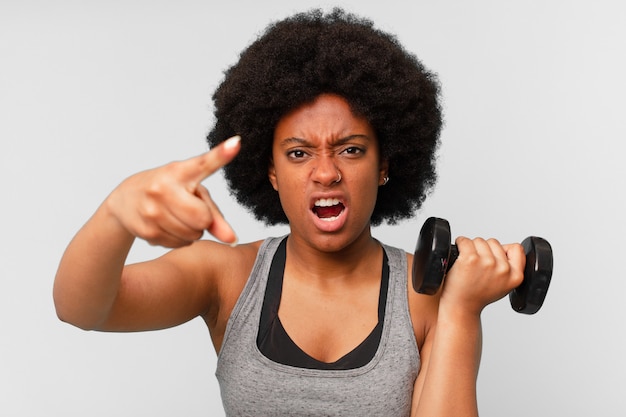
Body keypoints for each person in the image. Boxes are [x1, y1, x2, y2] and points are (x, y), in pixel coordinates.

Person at [53, 8, 525, 417]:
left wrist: (461, 311)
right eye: (299, 154)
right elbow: (81, 309)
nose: (325, 173)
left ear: (384, 165)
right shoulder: (227, 278)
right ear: (271, 171)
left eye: (351, 150)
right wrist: (116, 213)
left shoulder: (424, 293)